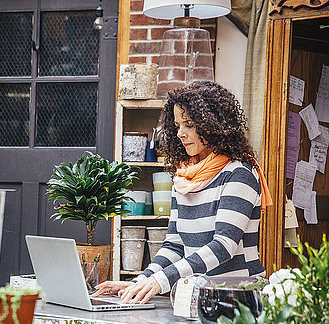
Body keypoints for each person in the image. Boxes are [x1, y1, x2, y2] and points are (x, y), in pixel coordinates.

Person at [94, 80, 272, 304]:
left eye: (188, 124)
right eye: (178, 126)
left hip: (239, 299)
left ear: (213, 124)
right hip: (199, 296)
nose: (180, 133)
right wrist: (140, 282)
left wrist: (160, 281)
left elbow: (223, 246)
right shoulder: (184, 177)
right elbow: (174, 246)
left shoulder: (239, 173)